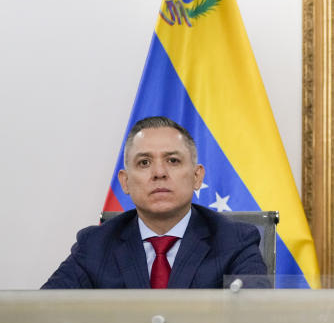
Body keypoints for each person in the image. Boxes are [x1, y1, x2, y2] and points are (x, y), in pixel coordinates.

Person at [42, 116, 267, 289]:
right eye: (144, 162)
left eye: (173, 160)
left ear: (197, 177)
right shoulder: (94, 245)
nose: (159, 172)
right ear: (125, 181)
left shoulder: (235, 242)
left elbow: (255, 321)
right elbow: (42, 316)